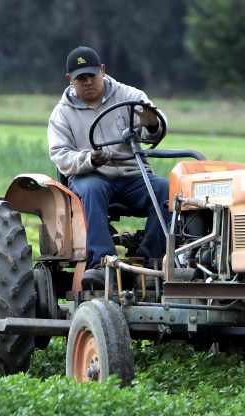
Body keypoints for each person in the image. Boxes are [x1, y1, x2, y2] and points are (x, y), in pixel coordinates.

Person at [47, 46, 170, 289]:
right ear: (69, 80)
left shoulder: (130, 96)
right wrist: (90, 160)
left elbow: (153, 128)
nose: (88, 82)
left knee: (166, 189)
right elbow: (60, 156)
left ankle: (150, 262)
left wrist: (152, 123)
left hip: (133, 175)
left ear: (102, 71)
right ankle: (102, 263)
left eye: (92, 76)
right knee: (92, 189)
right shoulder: (62, 114)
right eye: (81, 78)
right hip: (92, 176)